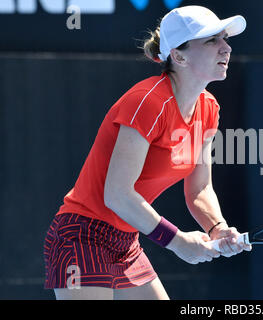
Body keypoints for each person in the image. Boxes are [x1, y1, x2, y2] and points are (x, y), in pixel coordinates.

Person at [43, 5, 251, 300]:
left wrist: (217, 228)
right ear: (178, 56)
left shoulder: (209, 108)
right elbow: (117, 194)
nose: (226, 48)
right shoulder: (148, 102)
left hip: (126, 242)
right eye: (211, 41)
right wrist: (177, 241)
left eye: (224, 39)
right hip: (80, 236)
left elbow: (200, 189)